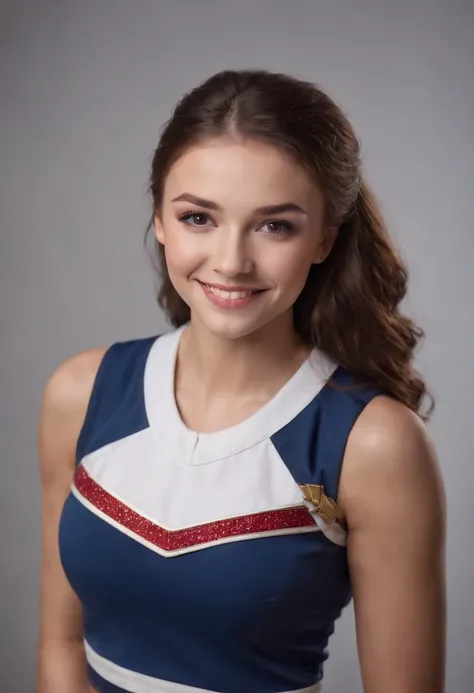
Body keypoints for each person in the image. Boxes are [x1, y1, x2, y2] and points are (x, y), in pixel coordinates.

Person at [36, 69, 446, 693]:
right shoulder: (81, 392)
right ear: (161, 220)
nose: (231, 261)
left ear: (323, 240)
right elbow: (61, 643)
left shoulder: (374, 443)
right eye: (199, 217)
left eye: (274, 225)